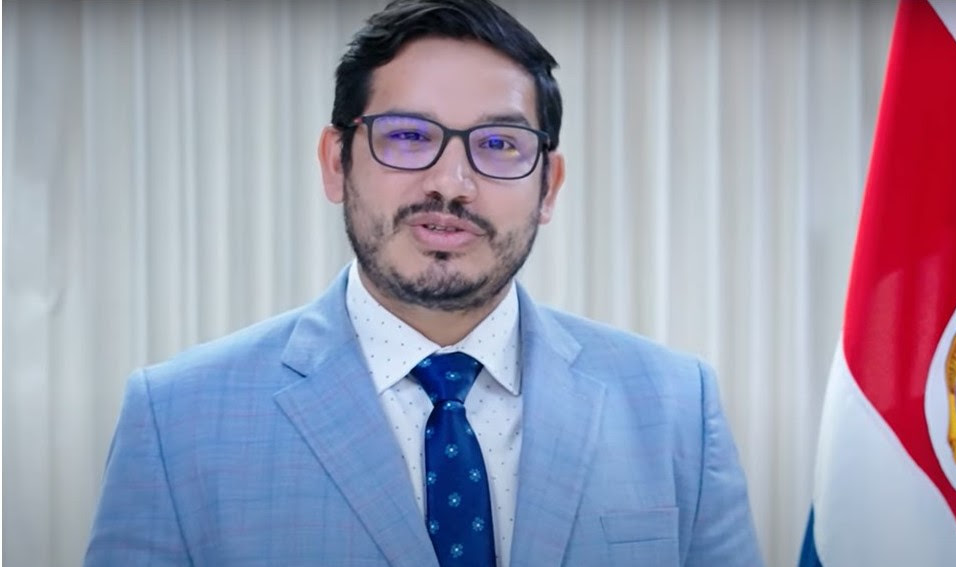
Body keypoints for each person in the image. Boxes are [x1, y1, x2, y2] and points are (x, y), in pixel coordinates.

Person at [84, 0, 761, 565]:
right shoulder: (175, 419)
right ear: (336, 163)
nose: (450, 182)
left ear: (548, 186)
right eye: (408, 136)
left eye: (498, 144)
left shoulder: (677, 406)